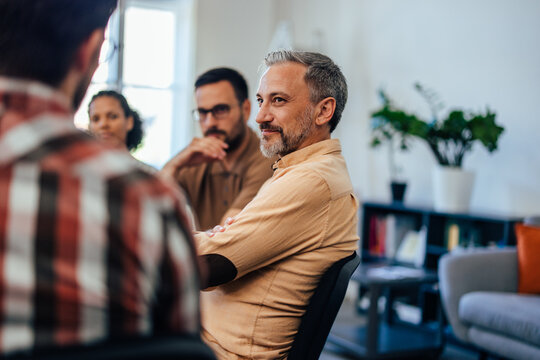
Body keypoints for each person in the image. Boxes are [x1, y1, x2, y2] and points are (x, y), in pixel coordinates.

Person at [0, 0, 201, 356]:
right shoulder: (149, 200)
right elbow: (181, 346)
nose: (104, 124)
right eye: (98, 117)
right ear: (90, 49)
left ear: (128, 122)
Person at [196, 50, 359, 359]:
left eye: (278, 101)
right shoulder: (297, 171)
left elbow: (209, 264)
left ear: (323, 111)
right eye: (261, 100)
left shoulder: (311, 181)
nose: (260, 117)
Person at [160, 68, 275, 230]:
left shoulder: (268, 159)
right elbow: (145, 212)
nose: (209, 123)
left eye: (220, 110)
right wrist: (174, 164)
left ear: (246, 110)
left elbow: (227, 234)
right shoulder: (193, 162)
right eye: (202, 112)